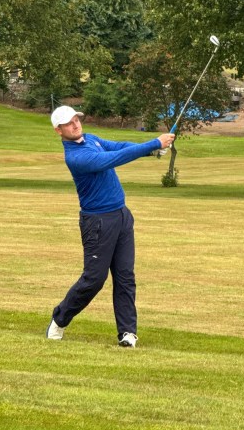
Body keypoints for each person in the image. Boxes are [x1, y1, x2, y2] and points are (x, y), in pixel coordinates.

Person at [46, 105, 175, 348]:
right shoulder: (76, 157)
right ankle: (59, 319)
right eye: (68, 123)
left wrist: (152, 150)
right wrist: (154, 143)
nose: (75, 124)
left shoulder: (91, 139)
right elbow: (112, 159)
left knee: (125, 276)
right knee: (94, 279)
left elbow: (119, 147)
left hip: (121, 215)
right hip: (98, 222)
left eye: (76, 119)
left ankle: (127, 332)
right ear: (59, 130)